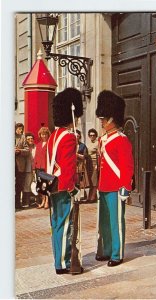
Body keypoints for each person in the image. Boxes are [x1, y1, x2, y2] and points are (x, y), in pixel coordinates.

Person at [95, 90, 134, 267]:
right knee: (104, 222)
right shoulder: (103, 140)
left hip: (116, 187)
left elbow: (127, 166)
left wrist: (126, 187)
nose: (102, 121)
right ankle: (107, 249)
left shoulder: (122, 139)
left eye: (104, 118)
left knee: (116, 222)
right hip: (104, 186)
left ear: (112, 119)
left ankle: (117, 254)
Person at [47, 87, 83, 275]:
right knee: (65, 224)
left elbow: (57, 160)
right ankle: (63, 263)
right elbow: (68, 168)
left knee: (56, 223)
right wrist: (72, 188)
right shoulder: (69, 137)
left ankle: (58, 258)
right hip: (63, 186)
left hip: (52, 184)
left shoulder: (54, 136)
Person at [33, 126, 51, 209]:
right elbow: (36, 156)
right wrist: (34, 167)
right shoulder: (38, 144)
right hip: (38, 167)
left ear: (48, 135)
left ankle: (47, 201)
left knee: (46, 185)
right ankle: (43, 201)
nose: (43, 136)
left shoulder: (50, 144)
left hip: (46, 167)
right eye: (42, 134)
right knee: (40, 185)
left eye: (45, 134)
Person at [15, 123, 29, 210]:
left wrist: (19, 151)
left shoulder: (23, 138)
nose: (21, 130)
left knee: (19, 185)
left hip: (20, 165)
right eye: (19, 129)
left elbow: (27, 150)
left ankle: (17, 203)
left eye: (22, 129)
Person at [22, 132, 36, 207]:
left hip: (35, 168)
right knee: (27, 185)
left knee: (36, 184)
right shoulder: (25, 148)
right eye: (28, 139)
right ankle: (26, 202)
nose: (30, 140)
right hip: (27, 168)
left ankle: (37, 200)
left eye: (31, 138)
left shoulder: (36, 147)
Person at [75, 129, 89, 200]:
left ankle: (80, 196)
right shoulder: (71, 145)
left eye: (77, 136)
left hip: (80, 165)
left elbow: (85, 156)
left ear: (79, 136)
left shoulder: (82, 146)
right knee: (74, 181)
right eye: (75, 136)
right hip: (73, 165)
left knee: (80, 181)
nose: (76, 137)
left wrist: (77, 155)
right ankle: (75, 196)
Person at [86, 128, 99, 202]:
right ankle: (90, 196)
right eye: (90, 135)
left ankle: (92, 197)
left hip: (94, 162)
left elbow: (99, 154)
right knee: (90, 181)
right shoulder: (89, 143)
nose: (92, 136)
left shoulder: (97, 143)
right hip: (89, 163)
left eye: (93, 135)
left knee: (94, 180)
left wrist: (97, 164)